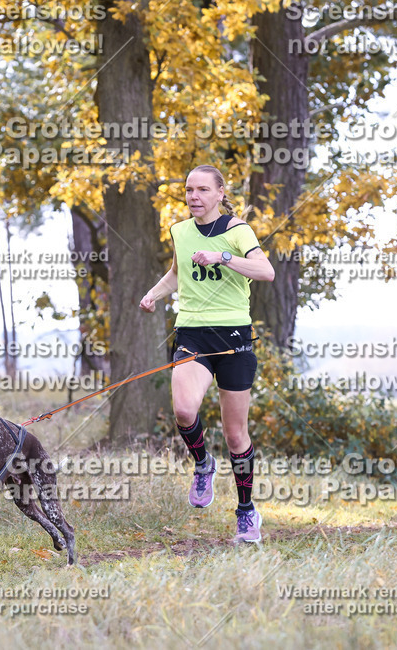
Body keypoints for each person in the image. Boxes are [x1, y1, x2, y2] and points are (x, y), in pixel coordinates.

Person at [139, 165, 275, 543]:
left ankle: (246, 512)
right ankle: (203, 464)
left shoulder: (238, 231)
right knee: (184, 410)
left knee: (236, 436)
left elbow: (266, 272)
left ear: (219, 193)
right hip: (192, 334)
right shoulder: (180, 232)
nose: (194, 196)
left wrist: (223, 258)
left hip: (234, 339)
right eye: (188, 190)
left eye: (202, 190)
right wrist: (154, 294)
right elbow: (177, 273)